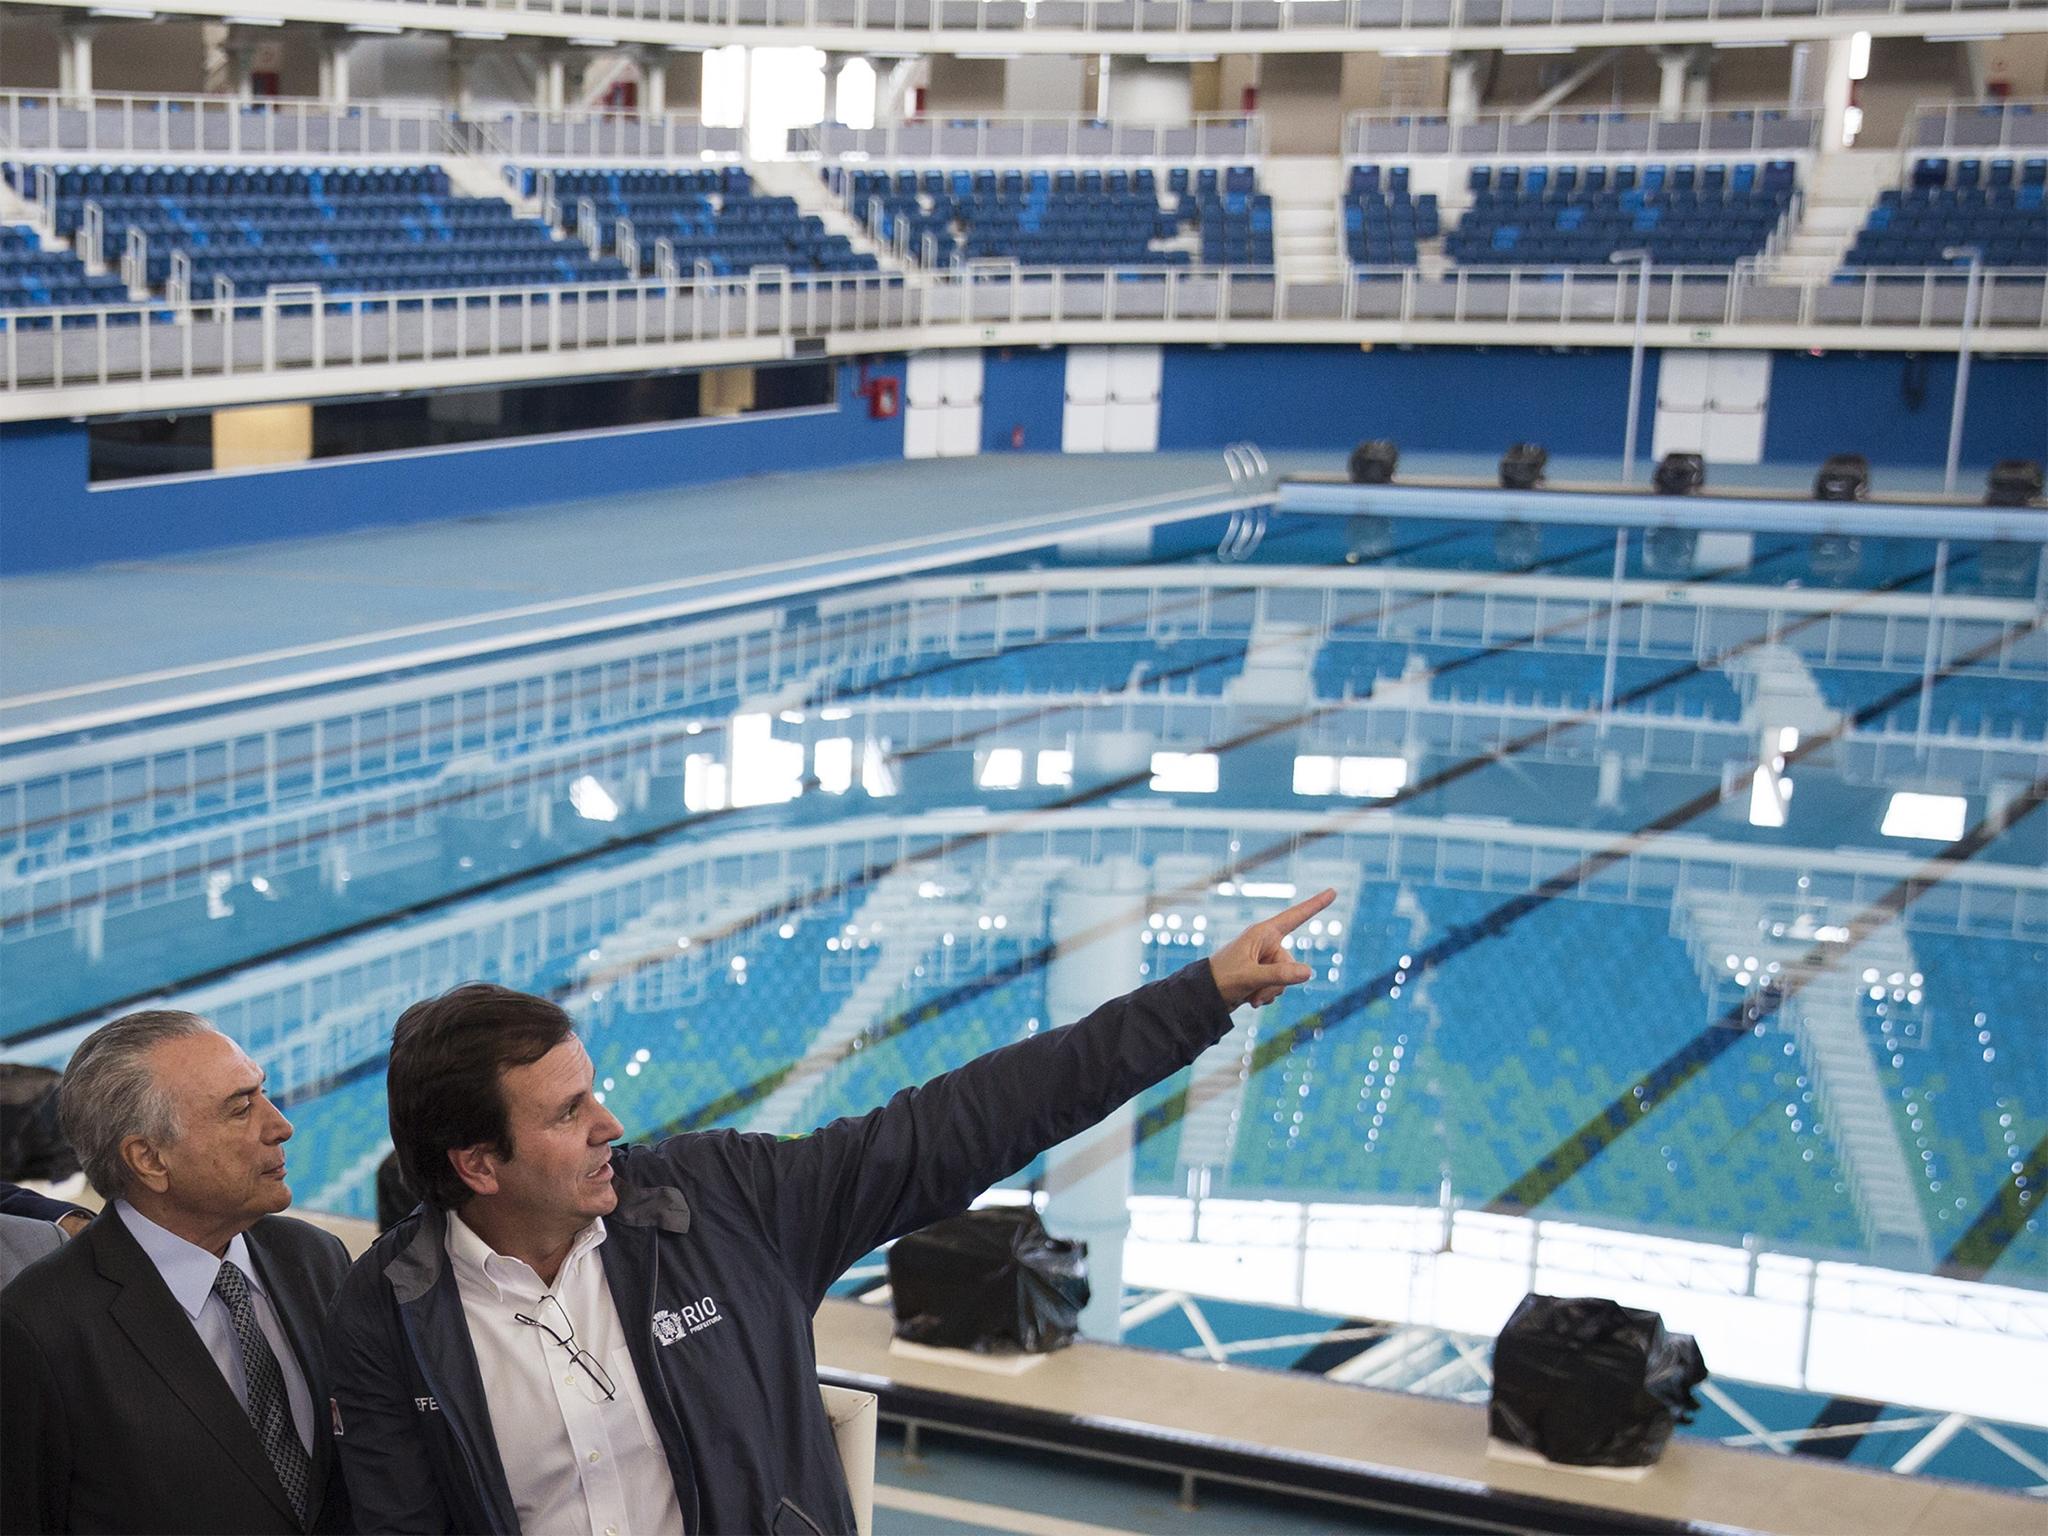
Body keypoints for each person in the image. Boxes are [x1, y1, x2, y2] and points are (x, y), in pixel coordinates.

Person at [327, 888, 1334, 1536]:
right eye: (567, 1112)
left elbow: (958, 1125)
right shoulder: (390, 1308)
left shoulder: (719, 1206)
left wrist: (1197, 998)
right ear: (476, 1164)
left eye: (592, 1090)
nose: (610, 1122)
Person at [0, 1011, 353, 1535]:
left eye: (263, 1093)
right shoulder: (41, 1327)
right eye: (241, 1109)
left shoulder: (315, 1258)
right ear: (149, 1160)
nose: (281, 1125)